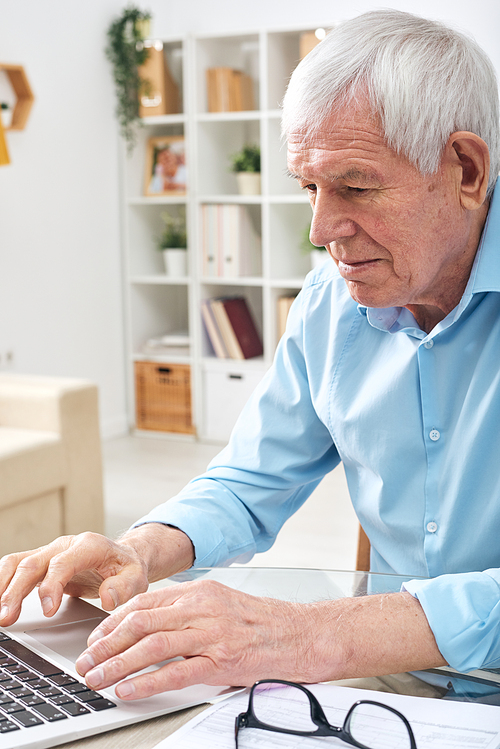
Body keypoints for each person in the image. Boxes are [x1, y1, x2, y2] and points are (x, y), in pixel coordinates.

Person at [1, 9, 500, 701]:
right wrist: (140, 551)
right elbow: (249, 478)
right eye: (309, 187)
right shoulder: (332, 299)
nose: (322, 230)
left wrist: (309, 634)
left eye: (355, 187)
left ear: (467, 170)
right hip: (401, 681)